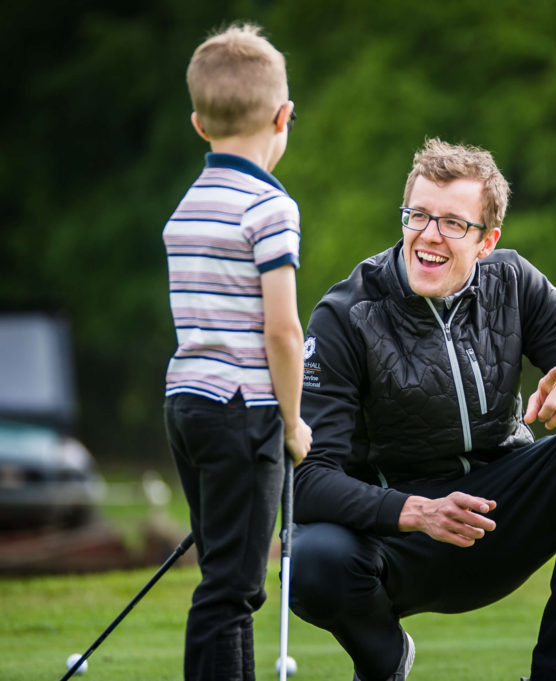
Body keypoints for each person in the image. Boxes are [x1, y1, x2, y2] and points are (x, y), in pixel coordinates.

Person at [290, 138, 556, 681]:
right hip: (402, 537)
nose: (429, 235)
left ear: (487, 241)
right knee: (313, 561)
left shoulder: (513, 281)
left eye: (453, 223)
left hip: (500, 512)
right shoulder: (346, 314)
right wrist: (416, 510)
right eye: (418, 215)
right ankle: (383, 659)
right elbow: (307, 479)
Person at [162, 23, 311, 681]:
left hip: (186, 405)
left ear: (199, 125)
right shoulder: (271, 207)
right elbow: (282, 330)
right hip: (242, 410)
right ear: (283, 116)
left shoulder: (186, 208)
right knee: (232, 587)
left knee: (227, 575)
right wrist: (293, 419)